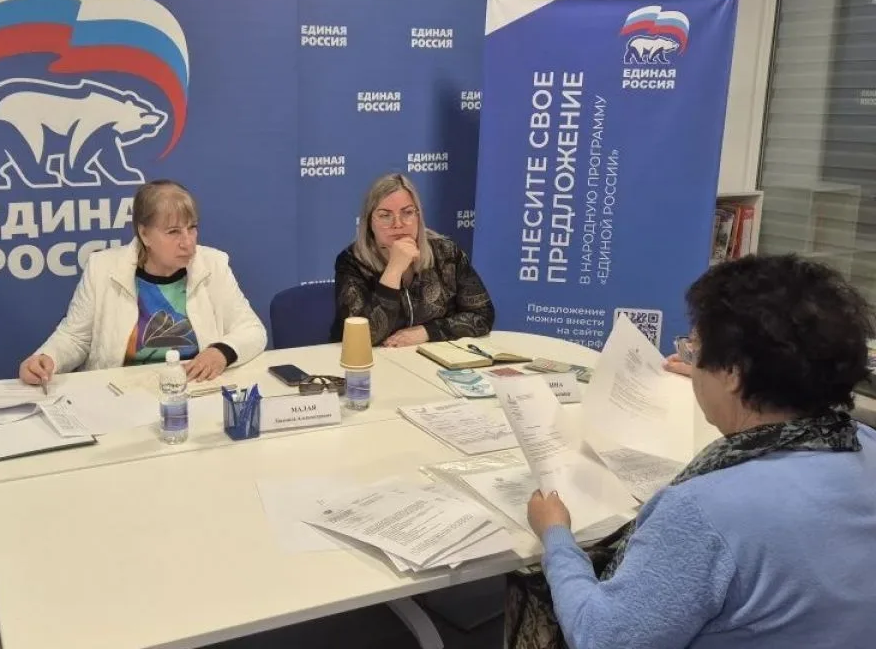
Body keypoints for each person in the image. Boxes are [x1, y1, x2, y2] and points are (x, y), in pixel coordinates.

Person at [515, 254, 876, 649]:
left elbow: (600, 638)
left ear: (733, 372)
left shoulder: (705, 511)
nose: (692, 360)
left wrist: (556, 536)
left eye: (695, 349)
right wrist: (717, 376)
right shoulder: (864, 443)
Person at [19, 180, 266, 385]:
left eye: (192, 228)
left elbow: (252, 329)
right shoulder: (102, 268)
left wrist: (221, 351)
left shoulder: (214, 264)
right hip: (122, 395)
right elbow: (75, 338)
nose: (188, 242)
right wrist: (47, 358)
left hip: (195, 389)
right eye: (173, 232)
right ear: (144, 234)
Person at [331, 173, 494, 347]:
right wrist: (394, 269)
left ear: (418, 216)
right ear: (369, 221)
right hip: (370, 360)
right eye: (385, 215)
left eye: (407, 213)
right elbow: (361, 338)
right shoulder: (352, 261)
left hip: (429, 358)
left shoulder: (446, 253)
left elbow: (482, 315)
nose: (398, 224)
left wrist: (427, 332)